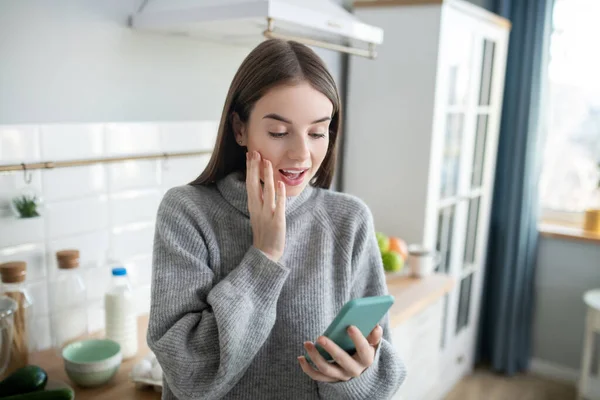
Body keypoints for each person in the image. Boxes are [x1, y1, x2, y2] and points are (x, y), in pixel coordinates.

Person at [147, 38, 406, 400]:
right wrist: (264, 255)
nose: (302, 154)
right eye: (279, 133)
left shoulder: (349, 220)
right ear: (239, 129)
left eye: (318, 132)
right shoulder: (187, 213)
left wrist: (355, 376)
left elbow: (383, 376)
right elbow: (189, 374)